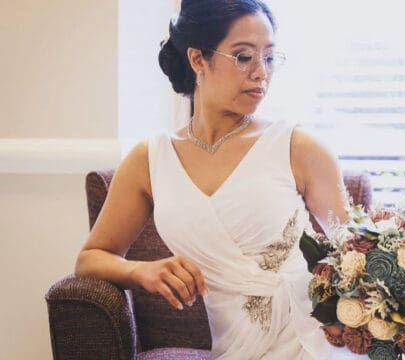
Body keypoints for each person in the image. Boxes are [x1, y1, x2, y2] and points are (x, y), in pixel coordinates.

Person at [74, 0, 367, 359]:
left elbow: (358, 258)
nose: (261, 72)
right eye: (244, 57)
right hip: (236, 350)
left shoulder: (299, 148)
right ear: (198, 59)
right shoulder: (149, 159)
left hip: (313, 341)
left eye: (270, 57)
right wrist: (142, 271)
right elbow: (91, 257)